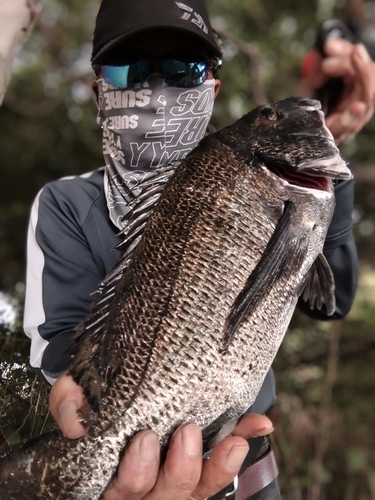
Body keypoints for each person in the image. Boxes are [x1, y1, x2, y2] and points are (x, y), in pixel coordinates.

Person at [23, 0, 375, 499]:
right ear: (99, 86)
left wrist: (324, 155)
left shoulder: (258, 178)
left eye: (184, 69)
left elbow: (329, 301)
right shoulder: (67, 202)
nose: (157, 87)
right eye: (132, 69)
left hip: (250, 479)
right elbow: (62, 348)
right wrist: (88, 425)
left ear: (213, 86)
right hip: (130, 475)